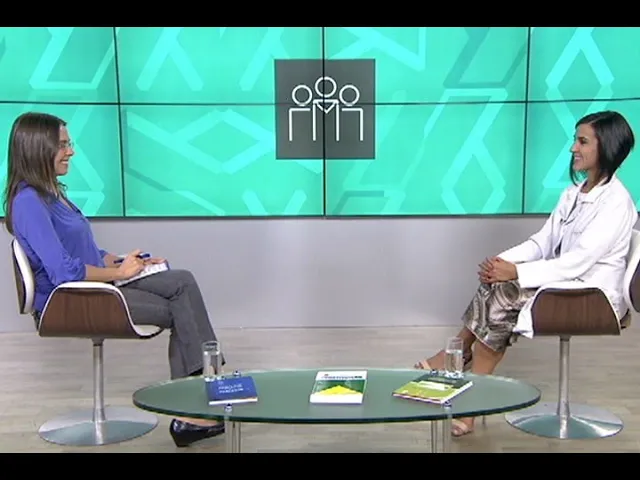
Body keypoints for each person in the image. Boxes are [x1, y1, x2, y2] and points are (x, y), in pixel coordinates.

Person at [3, 111, 226, 448]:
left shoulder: (53, 193)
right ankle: (192, 407)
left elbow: (87, 253)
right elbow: (64, 272)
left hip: (92, 286)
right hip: (70, 301)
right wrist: (120, 274)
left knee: (181, 280)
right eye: (62, 145)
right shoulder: (28, 203)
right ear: (37, 148)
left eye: (69, 143)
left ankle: (201, 391)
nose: (71, 151)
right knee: (177, 310)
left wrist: (126, 262)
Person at [413, 110, 638, 437]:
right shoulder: (573, 195)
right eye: (575, 140)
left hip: (593, 296)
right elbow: (542, 242)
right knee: (495, 284)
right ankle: (464, 365)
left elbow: (577, 263)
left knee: (504, 295)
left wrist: (515, 272)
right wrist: (502, 263)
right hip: (567, 282)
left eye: (582, 142)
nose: (573, 148)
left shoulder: (616, 203)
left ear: (608, 147)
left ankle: (467, 386)